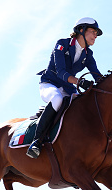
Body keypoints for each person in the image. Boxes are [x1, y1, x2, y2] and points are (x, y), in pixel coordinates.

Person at [27, 17, 104, 159]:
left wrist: (107, 86)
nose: (95, 36)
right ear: (81, 30)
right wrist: (79, 82)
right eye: (93, 32)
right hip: (49, 83)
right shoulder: (61, 44)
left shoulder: (88, 54)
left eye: (96, 34)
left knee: (82, 106)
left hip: (67, 88)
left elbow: (96, 74)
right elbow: (61, 72)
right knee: (57, 99)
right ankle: (36, 142)